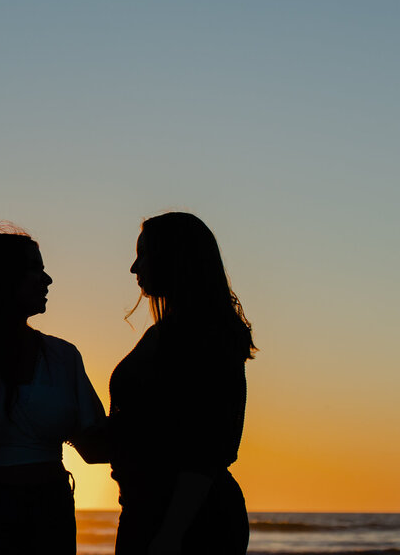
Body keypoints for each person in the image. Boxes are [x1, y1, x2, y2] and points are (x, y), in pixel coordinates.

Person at [0, 229, 106, 555]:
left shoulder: (63, 356)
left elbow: (96, 446)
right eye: (35, 269)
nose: (47, 280)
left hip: (48, 513)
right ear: (1, 278)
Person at [107, 212, 256, 555]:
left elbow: (205, 448)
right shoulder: (168, 333)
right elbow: (151, 430)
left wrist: (170, 534)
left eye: (143, 254)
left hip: (188, 518)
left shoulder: (203, 338)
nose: (134, 267)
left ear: (174, 258)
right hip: (148, 508)